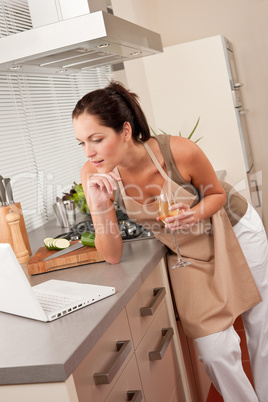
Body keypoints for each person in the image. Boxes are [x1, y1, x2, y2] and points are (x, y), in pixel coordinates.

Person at [72, 81, 268, 402]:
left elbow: (217, 194)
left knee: (260, 325)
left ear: (124, 131)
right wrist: (97, 206)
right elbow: (112, 255)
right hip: (189, 251)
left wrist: (194, 214)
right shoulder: (93, 174)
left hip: (234, 229)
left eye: (96, 139)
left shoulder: (178, 151)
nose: (89, 152)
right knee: (215, 349)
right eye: (81, 143)